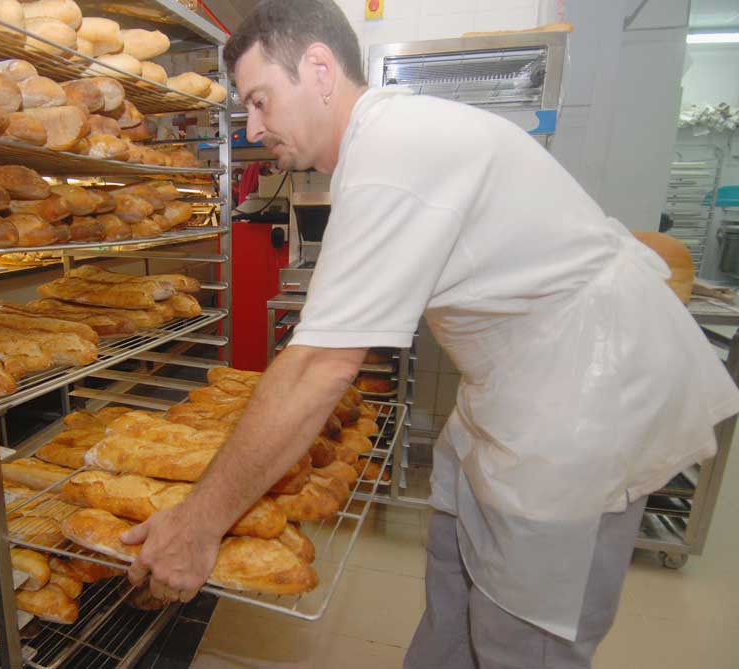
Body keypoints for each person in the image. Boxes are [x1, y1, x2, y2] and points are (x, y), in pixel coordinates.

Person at [119, 1, 739, 666]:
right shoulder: (382, 145)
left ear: (320, 70)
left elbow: (319, 366)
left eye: (261, 100)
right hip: (517, 383)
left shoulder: (392, 151)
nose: (254, 125)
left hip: (589, 392)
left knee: (524, 634)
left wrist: (198, 524)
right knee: (454, 575)